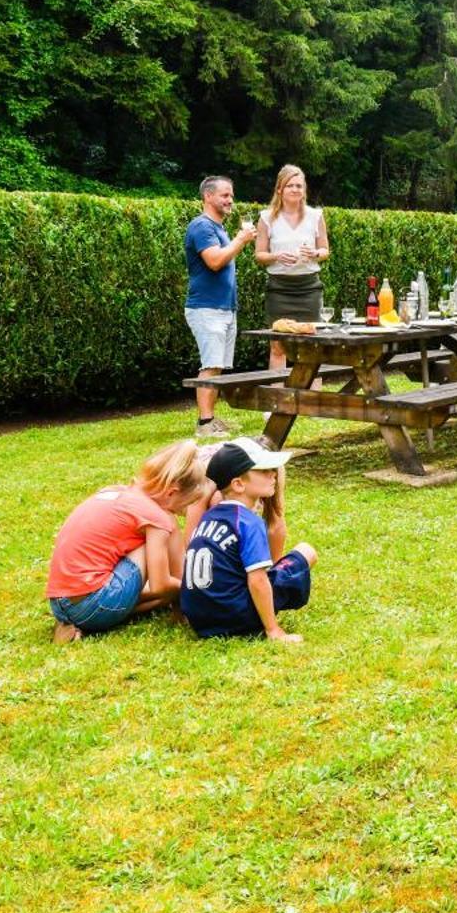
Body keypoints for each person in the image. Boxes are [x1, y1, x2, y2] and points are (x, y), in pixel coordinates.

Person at [47, 440, 211, 643]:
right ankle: (91, 618)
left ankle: (75, 623)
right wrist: (195, 587)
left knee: (166, 591)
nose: (183, 512)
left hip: (60, 603)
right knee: (161, 552)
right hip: (92, 606)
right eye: (185, 505)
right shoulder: (155, 517)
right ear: (171, 493)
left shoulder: (116, 492)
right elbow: (161, 584)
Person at [180, 438, 318, 642]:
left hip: (201, 622)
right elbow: (258, 580)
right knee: (306, 552)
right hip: (238, 618)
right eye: (263, 471)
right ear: (238, 484)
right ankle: (268, 625)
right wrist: (273, 630)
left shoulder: (208, 518)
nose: (273, 474)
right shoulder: (247, 522)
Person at [186, 175, 256, 438]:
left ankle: (211, 419)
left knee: (217, 365)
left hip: (224, 307)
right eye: (225, 195)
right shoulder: (201, 227)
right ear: (208, 196)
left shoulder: (219, 228)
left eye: (231, 195)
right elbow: (214, 261)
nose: (230, 200)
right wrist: (240, 240)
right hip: (206, 307)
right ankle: (205, 424)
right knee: (210, 364)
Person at [254, 164, 329, 369]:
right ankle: (278, 399)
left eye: (299, 185)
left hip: (309, 288)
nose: (296, 189)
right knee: (278, 347)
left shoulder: (315, 216)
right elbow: (259, 255)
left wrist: (314, 254)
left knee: (313, 347)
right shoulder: (266, 218)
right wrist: (276, 256)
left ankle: (314, 399)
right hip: (279, 289)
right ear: (279, 189)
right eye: (290, 185)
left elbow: (325, 251)